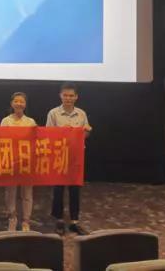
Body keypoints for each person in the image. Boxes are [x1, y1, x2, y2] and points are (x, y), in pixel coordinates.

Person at [46, 82, 92, 235]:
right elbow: (48, 134)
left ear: (76, 97)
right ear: (60, 96)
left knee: (75, 189)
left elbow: (85, 134)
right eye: (65, 95)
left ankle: (74, 221)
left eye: (71, 95)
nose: (68, 98)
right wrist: (62, 131)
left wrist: (86, 131)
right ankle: (59, 220)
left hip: (76, 156)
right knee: (58, 189)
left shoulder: (81, 114)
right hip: (59, 155)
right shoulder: (53, 113)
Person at [1, 92, 37, 232]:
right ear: (12, 103)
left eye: (21, 101)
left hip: (27, 161)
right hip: (11, 160)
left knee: (27, 192)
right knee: (10, 191)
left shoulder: (31, 122)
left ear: (25, 104)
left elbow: (36, 140)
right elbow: (0, 140)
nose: (19, 104)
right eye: (16, 101)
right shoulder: (5, 121)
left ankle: (26, 220)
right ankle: (12, 217)